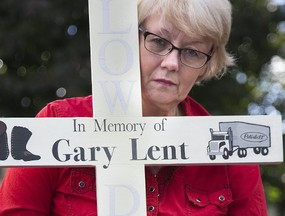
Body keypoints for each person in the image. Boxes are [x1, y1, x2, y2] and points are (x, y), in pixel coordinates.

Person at [0, 0, 268, 215]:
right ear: (128, 40)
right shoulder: (54, 125)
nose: (172, 63)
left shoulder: (233, 153)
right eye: (159, 42)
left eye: (192, 52)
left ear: (207, 66)